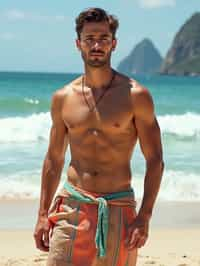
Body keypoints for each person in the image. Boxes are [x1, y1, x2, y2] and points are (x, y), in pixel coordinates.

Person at [34, 7, 164, 266]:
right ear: (78, 44)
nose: (96, 45)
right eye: (89, 38)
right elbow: (54, 159)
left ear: (113, 44)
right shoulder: (63, 98)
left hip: (118, 208)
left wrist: (144, 216)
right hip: (72, 207)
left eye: (103, 38)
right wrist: (41, 215)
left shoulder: (136, 96)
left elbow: (155, 160)